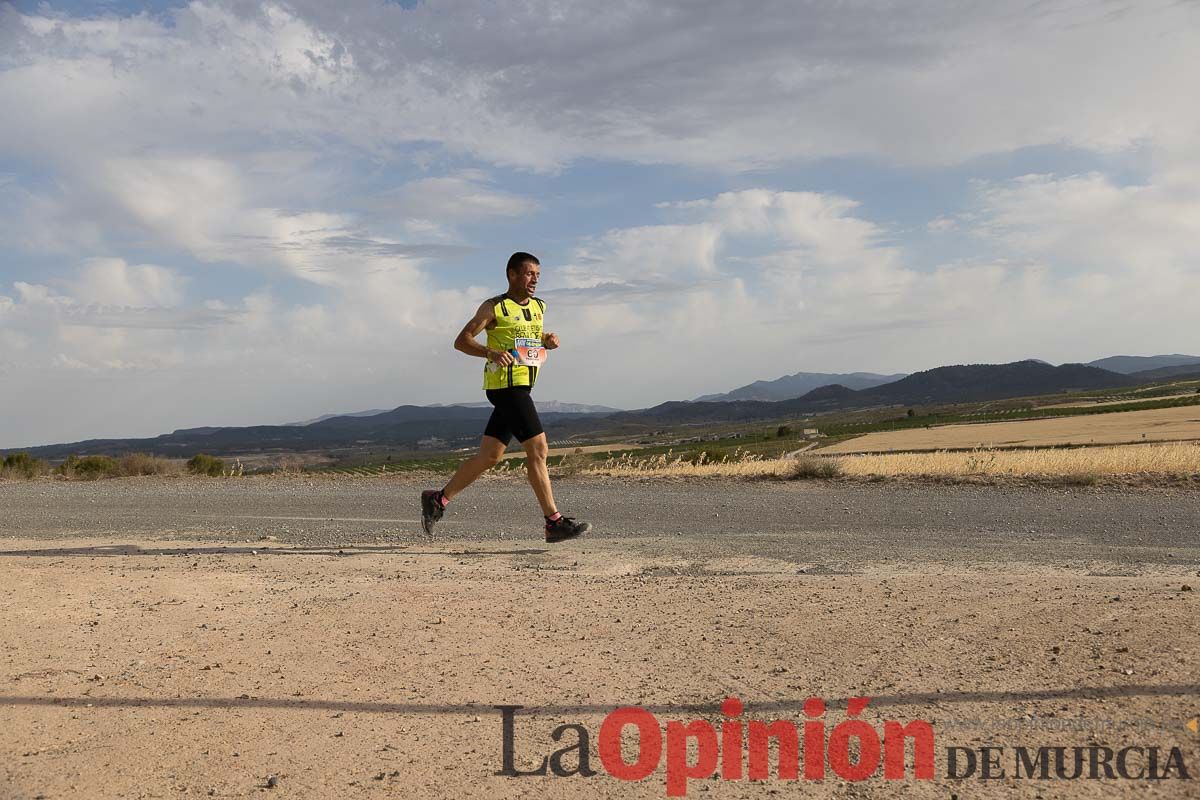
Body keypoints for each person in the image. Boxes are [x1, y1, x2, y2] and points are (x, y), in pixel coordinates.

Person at [421, 252, 592, 543]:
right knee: (538, 448)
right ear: (512, 275)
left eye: (537, 274)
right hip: (504, 387)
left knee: (490, 456)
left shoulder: (539, 307)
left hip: (523, 386)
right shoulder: (494, 307)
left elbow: (528, 344)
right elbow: (461, 341)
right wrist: (490, 352)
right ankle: (554, 522)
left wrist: (546, 343)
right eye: (529, 274)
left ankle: (438, 499)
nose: (534, 280)